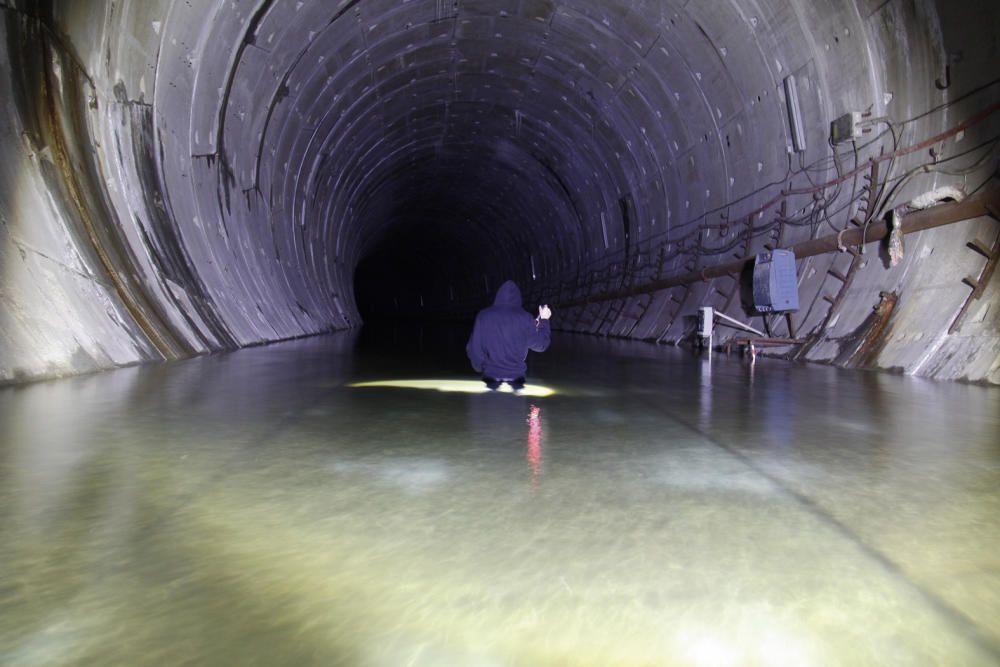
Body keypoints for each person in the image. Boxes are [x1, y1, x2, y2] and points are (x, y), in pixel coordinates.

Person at [466, 280, 552, 390]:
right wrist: (544, 320)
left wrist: (480, 367)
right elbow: (541, 344)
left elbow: (473, 348)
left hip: (490, 379)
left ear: (498, 295)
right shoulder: (525, 318)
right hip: (517, 379)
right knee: (520, 405)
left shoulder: (483, 316)